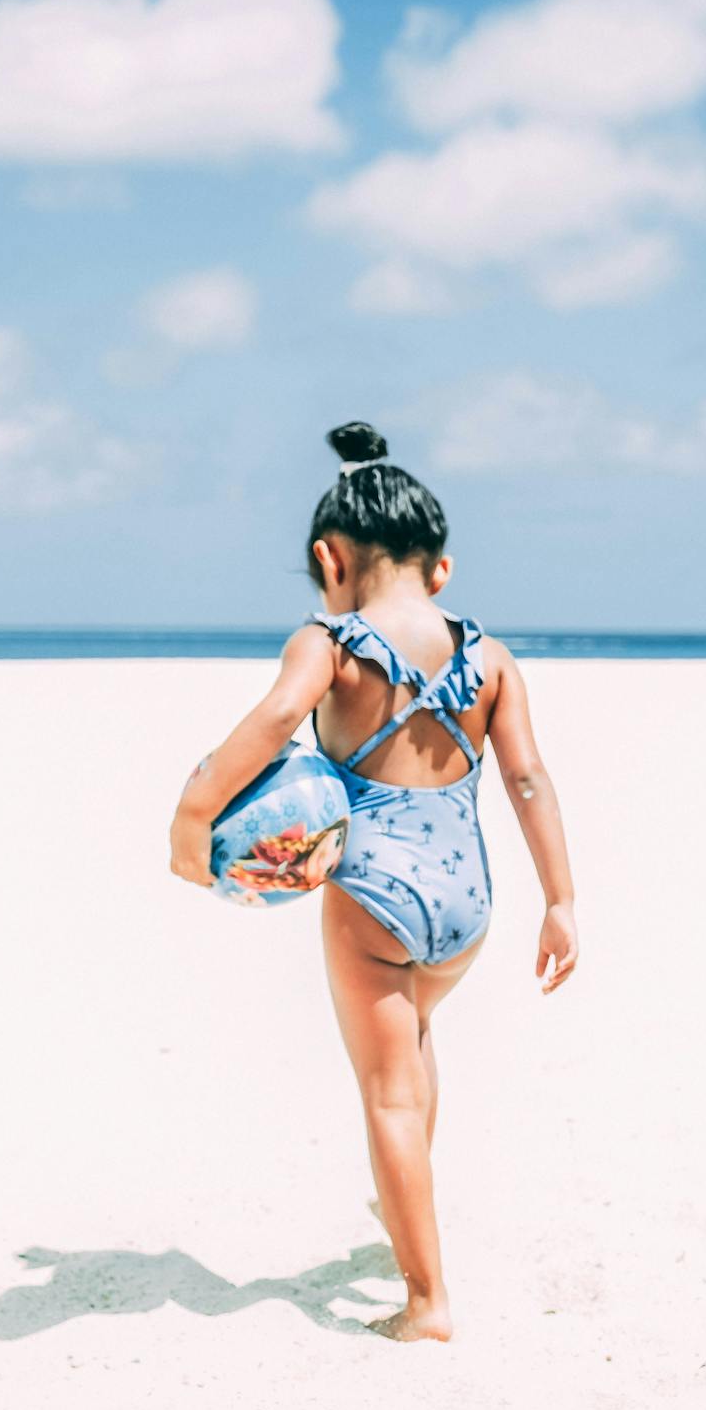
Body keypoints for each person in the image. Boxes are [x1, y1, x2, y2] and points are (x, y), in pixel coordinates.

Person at [167, 421, 581, 1343]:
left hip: (374, 900)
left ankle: (426, 1301)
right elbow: (527, 780)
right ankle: (405, 1207)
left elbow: (277, 720)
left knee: (387, 1090)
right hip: (467, 901)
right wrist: (560, 899)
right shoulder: (491, 655)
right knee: (418, 1044)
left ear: (329, 558)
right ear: (440, 570)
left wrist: (197, 813)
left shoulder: (332, 643)